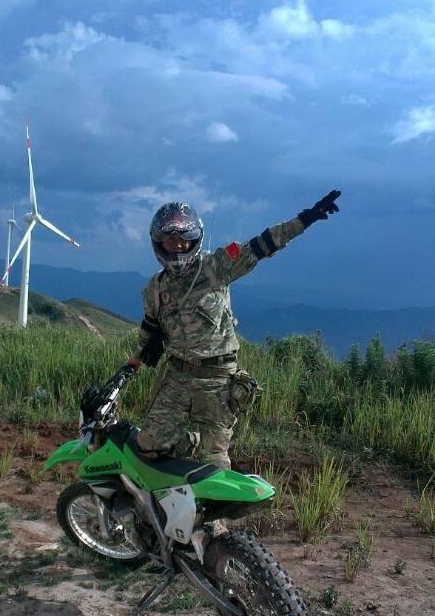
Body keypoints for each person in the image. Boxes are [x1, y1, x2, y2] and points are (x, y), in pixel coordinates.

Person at [127, 191, 341, 470]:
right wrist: (133, 363)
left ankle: (209, 481)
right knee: (149, 444)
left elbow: (261, 245)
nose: (177, 246)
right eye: (170, 240)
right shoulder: (155, 288)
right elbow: (149, 330)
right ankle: (192, 444)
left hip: (217, 377)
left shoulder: (216, 266)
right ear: (159, 243)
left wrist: (306, 219)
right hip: (177, 376)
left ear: (194, 238)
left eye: (183, 239)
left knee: (214, 463)